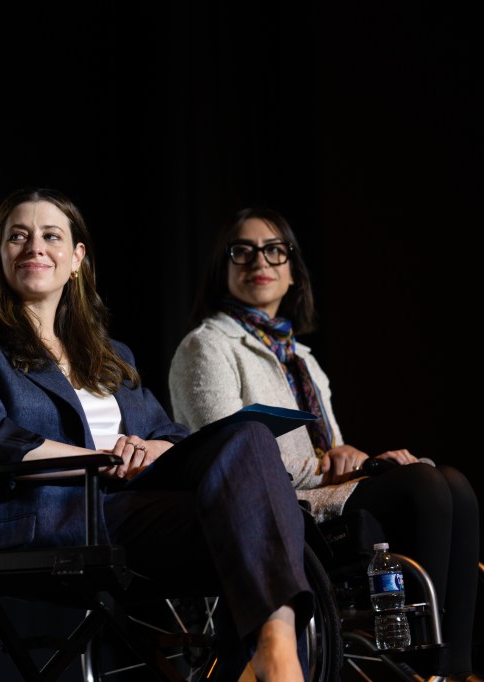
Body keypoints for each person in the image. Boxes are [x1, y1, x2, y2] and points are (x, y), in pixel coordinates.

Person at [0, 187, 316, 681]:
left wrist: (151, 449)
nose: (35, 247)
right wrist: (103, 461)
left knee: (251, 449)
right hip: (49, 515)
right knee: (258, 523)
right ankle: (275, 664)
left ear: (76, 258)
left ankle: (274, 648)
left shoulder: (110, 355)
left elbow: (172, 435)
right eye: (18, 236)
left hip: (130, 507)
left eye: (51, 236)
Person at [169, 206, 480, 680]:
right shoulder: (206, 346)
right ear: (222, 269)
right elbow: (230, 455)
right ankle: (419, 667)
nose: (260, 261)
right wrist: (347, 465)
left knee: (452, 483)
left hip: (321, 492)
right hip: (270, 506)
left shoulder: (304, 359)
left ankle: (455, 670)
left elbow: (331, 451)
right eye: (242, 251)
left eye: (274, 251)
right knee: (424, 487)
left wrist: (364, 461)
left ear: (293, 271)